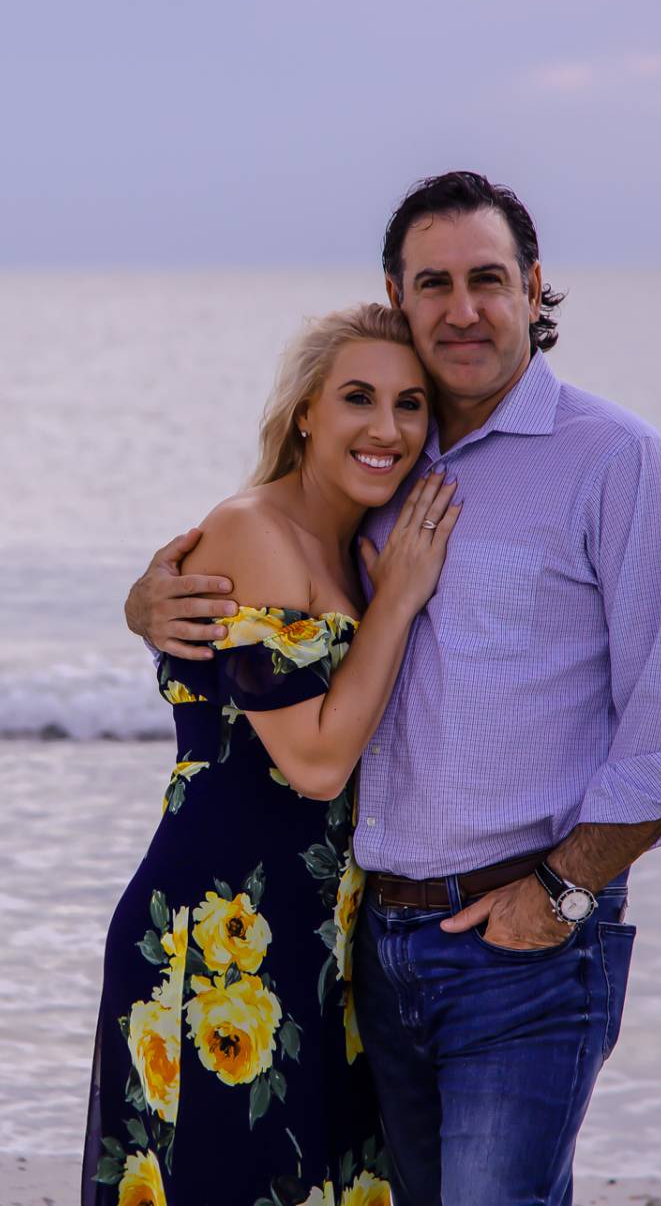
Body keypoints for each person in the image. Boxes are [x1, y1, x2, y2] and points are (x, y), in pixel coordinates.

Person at [125, 172, 661, 1205]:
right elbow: (267, 603)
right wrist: (149, 603)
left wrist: (561, 894)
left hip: (522, 949)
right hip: (362, 944)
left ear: (536, 287)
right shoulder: (382, 457)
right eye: (435, 282)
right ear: (397, 294)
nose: (463, 308)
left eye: (489, 279)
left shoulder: (623, 464)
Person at [85, 303, 461, 1206]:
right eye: (358, 398)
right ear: (305, 412)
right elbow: (318, 763)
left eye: (411, 405)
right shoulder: (255, 529)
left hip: (319, 939)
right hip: (216, 937)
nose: (386, 428)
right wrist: (401, 602)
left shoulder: (354, 547)